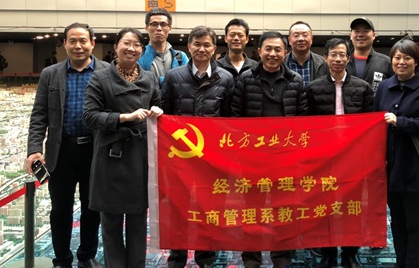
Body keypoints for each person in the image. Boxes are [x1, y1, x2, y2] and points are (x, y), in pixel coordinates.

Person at [26, 22, 108, 268]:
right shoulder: (50, 74)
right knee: (60, 209)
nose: (78, 46)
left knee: (92, 208)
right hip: (61, 151)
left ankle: (87, 256)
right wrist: (34, 149)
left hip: (95, 151)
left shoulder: (107, 71)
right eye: (72, 41)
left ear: (92, 43)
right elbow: (39, 115)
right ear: (64, 44)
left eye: (83, 40)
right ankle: (62, 259)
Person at [83, 28, 162, 268]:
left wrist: (158, 111)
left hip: (140, 157)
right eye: (126, 43)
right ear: (116, 46)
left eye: (137, 45)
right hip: (111, 156)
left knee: (138, 223)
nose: (131, 48)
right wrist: (123, 117)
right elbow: (89, 116)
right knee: (111, 225)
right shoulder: (100, 78)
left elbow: (158, 105)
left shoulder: (149, 78)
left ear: (142, 50)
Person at [232, 31, 308, 268]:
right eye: (268, 49)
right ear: (259, 52)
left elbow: (304, 119)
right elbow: (235, 116)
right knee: (251, 210)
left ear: (285, 53)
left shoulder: (296, 80)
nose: (273, 54)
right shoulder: (245, 79)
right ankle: (251, 258)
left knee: (284, 209)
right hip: (252, 157)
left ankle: (281, 257)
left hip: (285, 158)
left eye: (278, 50)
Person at [161, 26, 235, 268]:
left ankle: (206, 258)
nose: (201, 49)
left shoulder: (226, 78)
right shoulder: (173, 77)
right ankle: (177, 258)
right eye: (197, 44)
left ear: (214, 48)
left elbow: (229, 120)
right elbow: (165, 114)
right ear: (189, 46)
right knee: (178, 208)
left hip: (211, 159)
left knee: (210, 208)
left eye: (207, 45)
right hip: (180, 157)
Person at [373, 38, 419, 268]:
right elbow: (375, 122)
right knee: (397, 221)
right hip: (391, 166)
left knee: (416, 223)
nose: (401, 62)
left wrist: (400, 122)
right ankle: (400, 262)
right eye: (397, 58)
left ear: (416, 61)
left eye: (407, 58)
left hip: (417, 166)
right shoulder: (384, 86)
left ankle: (413, 264)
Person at [305, 38, 373, 268]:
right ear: (325, 58)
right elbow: (307, 126)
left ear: (348, 58)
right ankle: (328, 253)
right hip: (324, 159)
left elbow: (370, 124)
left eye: (342, 54)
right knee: (324, 207)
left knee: (352, 207)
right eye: (333, 54)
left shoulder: (363, 88)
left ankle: (350, 253)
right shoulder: (313, 88)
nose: (338, 59)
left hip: (353, 158)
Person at [138, 7, 189, 86]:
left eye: (163, 24)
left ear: (170, 28)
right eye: (154, 24)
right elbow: (139, 82)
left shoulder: (181, 57)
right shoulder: (139, 56)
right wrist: (173, 80)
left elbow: (188, 81)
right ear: (146, 28)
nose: (159, 28)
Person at [346, 17, 393, 93]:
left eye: (366, 31)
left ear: (374, 35)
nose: (360, 35)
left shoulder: (386, 62)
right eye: (357, 31)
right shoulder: (342, 62)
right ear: (350, 35)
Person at [284, 21, 327, 86]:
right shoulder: (281, 63)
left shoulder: (324, 63)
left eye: (305, 35)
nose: (301, 39)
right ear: (289, 40)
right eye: (296, 35)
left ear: (311, 39)